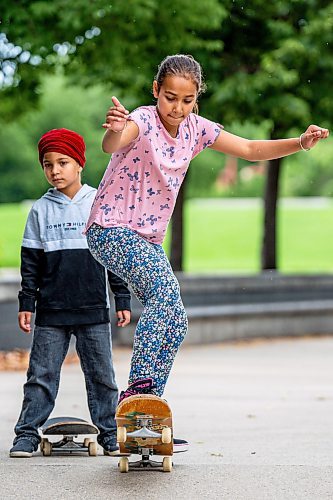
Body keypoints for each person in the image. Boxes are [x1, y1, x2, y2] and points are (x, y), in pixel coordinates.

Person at [85, 54, 329, 449]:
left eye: (186, 100)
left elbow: (249, 148)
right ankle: (136, 398)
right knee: (164, 295)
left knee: (176, 319)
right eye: (169, 98)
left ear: (196, 98)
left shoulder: (196, 129)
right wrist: (114, 129)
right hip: (111, 228)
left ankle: (145, 415)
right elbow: (113, 143)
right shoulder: (143, 119)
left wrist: (300, 143)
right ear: (155, 92)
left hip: (145, 240)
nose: (176, 108)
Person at [10, 128, 131, 458]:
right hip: (51, 311)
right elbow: (31, 263)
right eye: (48, 165)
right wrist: (27, 303)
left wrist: (121, 298)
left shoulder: (98, 203)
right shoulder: (40, 210)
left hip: (93, 308)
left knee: (102, 377)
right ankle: (27, 434)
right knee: (41, 376)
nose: (55, 171)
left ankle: (109, 433)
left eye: (63, 162)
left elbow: (114, 258)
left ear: (80, 163)